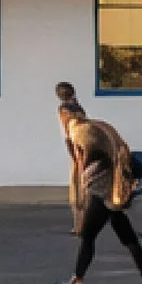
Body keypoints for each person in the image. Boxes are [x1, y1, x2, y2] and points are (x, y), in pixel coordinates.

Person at [53, 115, 142, 284]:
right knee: (128, 238)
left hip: (102, 194)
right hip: (113, 193)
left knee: (88, 236)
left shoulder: (86, 136)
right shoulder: (104, 133)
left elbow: (84, 165)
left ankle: (77, 282)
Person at [54, 81, 87, 233]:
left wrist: (73, 153)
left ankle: (78, 225)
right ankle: (82, 222)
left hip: (75, 149)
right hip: (83, 148)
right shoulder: (80, 109)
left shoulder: (64, 110)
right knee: (83, 184)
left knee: (76, 186)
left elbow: (69, 132)